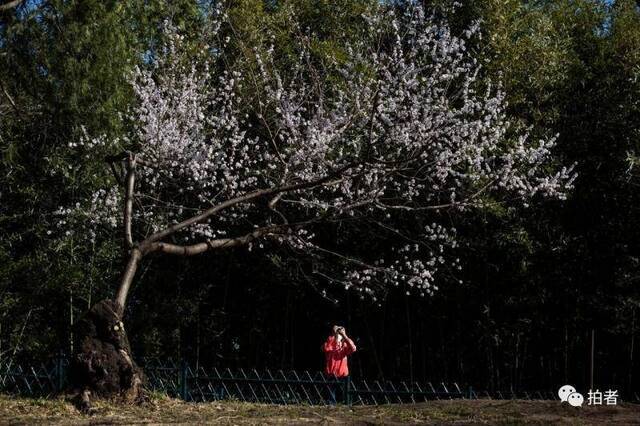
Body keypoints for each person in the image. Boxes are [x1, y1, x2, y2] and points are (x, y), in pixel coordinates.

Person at [322, 325, 356, 404]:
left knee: (345, 398)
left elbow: (353, 348)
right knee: (331, 400)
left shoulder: (344, 345)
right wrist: (334, 336)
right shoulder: (330, 341)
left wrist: (344, 335)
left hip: (343, 374)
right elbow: (326, 348)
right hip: (331, 374)